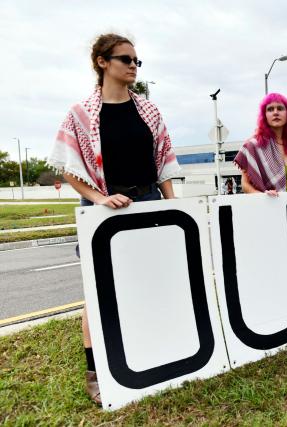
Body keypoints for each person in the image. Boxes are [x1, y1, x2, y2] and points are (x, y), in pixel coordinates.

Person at [47, 33, 180, 405]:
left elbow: (164, 163)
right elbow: (67, 167)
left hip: (149, 201)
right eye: (126, 59)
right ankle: (96, 370)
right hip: (105, 211)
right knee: (98, 290)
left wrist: (173, 206)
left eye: (138, 61)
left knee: (152, 281)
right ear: (103, 62)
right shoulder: (81, 113)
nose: (134, 66)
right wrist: (99, 198)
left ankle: (151, 350)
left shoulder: (149, 111)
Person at [234, 93, 287, 195]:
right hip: (270, 206)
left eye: (280, 108)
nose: (275, 112)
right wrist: (264, 196)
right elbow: (245, 185)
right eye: (270, 109)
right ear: (265, 115)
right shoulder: (253, 146)